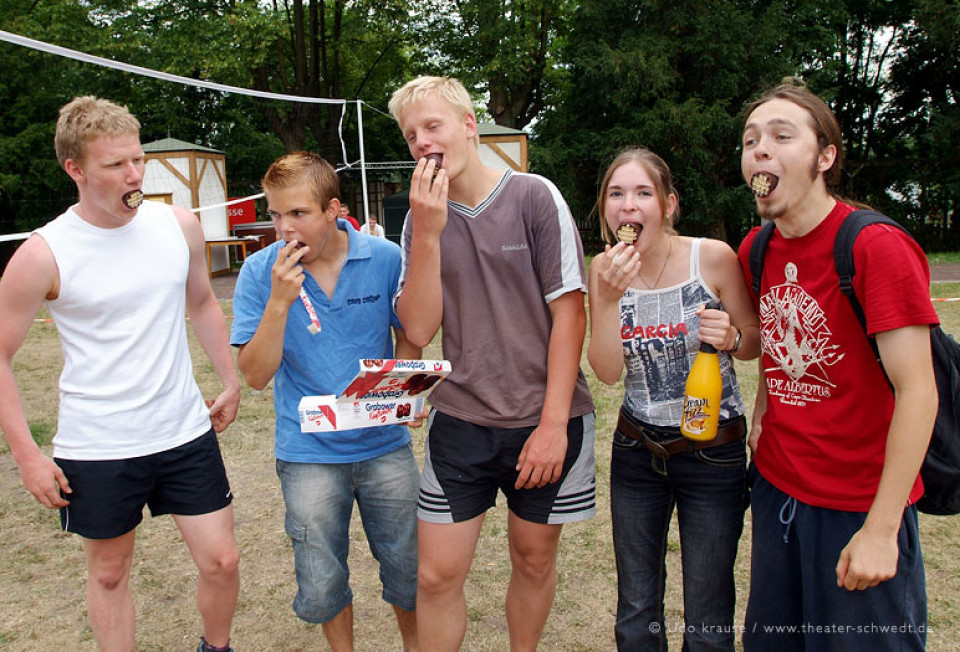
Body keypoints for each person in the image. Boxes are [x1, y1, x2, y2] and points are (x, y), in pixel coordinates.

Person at [0, 96, 241, 652]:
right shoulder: (43, 253)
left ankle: (217, 647)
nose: (134, 175)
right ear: (76, 170)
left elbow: (203, 302)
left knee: (223, 560)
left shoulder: (176, 224)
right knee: (109, 574)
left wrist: (227, 380)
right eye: (115, 165)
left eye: (137, 160)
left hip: (183, 430)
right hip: (99, 444)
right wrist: (29, 456)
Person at [388, 75, 596, 652]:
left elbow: (570, 316)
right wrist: (427, 234)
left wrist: (553, 427)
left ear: (469, 125)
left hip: (543, 417)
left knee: (531, 561)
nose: (423, 143)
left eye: (433, 125)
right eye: (411, 135)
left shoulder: (533, 196)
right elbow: (421, 328)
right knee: (435, 575)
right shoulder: (417, 220)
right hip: (462, 419)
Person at [737, 82, 938, 650]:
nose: (760, 150)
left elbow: (918, 391)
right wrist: (763, 410)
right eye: (751, 140)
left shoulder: (874, 246)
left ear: (825, 157)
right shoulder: (758, 247)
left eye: (781, 136)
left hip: (858, 505)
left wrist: (881, 529)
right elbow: (777, 343)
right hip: (778, 491)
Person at [230, 151, 420, 652]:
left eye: (298, 213)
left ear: (333, 209)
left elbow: (412, 333)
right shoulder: (259, 272)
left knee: (409, 571)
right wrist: (278, 303)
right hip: (307, 453)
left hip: (384, 446)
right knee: (323, 581)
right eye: (274, 215)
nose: (284, 229)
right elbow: (253, 375)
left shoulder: (384, 259)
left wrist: (401, 395)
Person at [587, 147, 760, 650]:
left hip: (713, 450)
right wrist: (606, 295)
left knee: (708, 613)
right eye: (616, 194)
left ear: (668, 204)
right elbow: (607, 371)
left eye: (642, 193)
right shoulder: (605, 268)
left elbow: (754, 342)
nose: (628, 205)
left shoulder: (712, 257)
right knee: (636, 609)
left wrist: (730, 338)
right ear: (605, 210)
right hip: (638, 449)